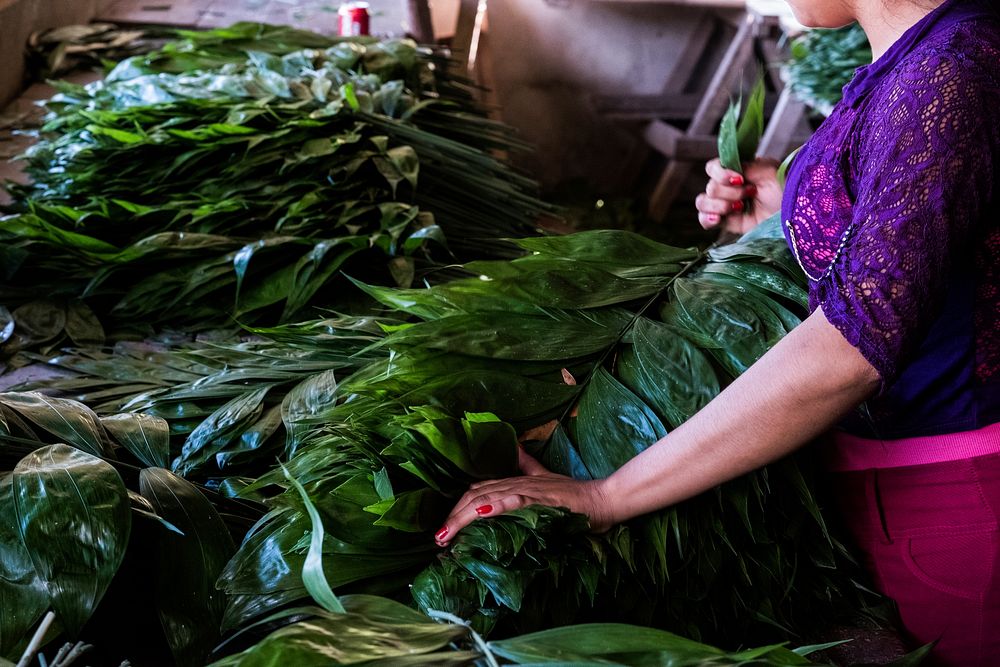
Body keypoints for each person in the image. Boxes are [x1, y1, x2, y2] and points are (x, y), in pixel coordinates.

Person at [435, 0, 1000, 663]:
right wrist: (794, 212)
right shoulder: (924, 51)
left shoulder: (949, 72)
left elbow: (850, 348)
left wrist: (604, 493)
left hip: (954, 506)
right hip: (884, 480)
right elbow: (915, 220)